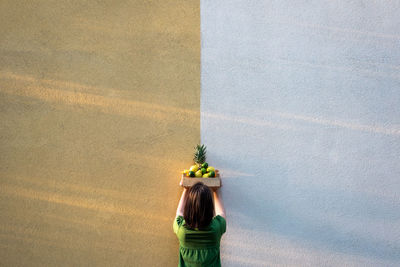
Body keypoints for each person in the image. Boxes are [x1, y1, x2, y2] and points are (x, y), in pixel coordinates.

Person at [173, 181, 226, 267]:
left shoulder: (182, 231)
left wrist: (185, 190)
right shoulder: (216, 229)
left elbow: (179, 212)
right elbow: (221, 213)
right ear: (210, 208)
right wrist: (215, 191)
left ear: (189, 207)